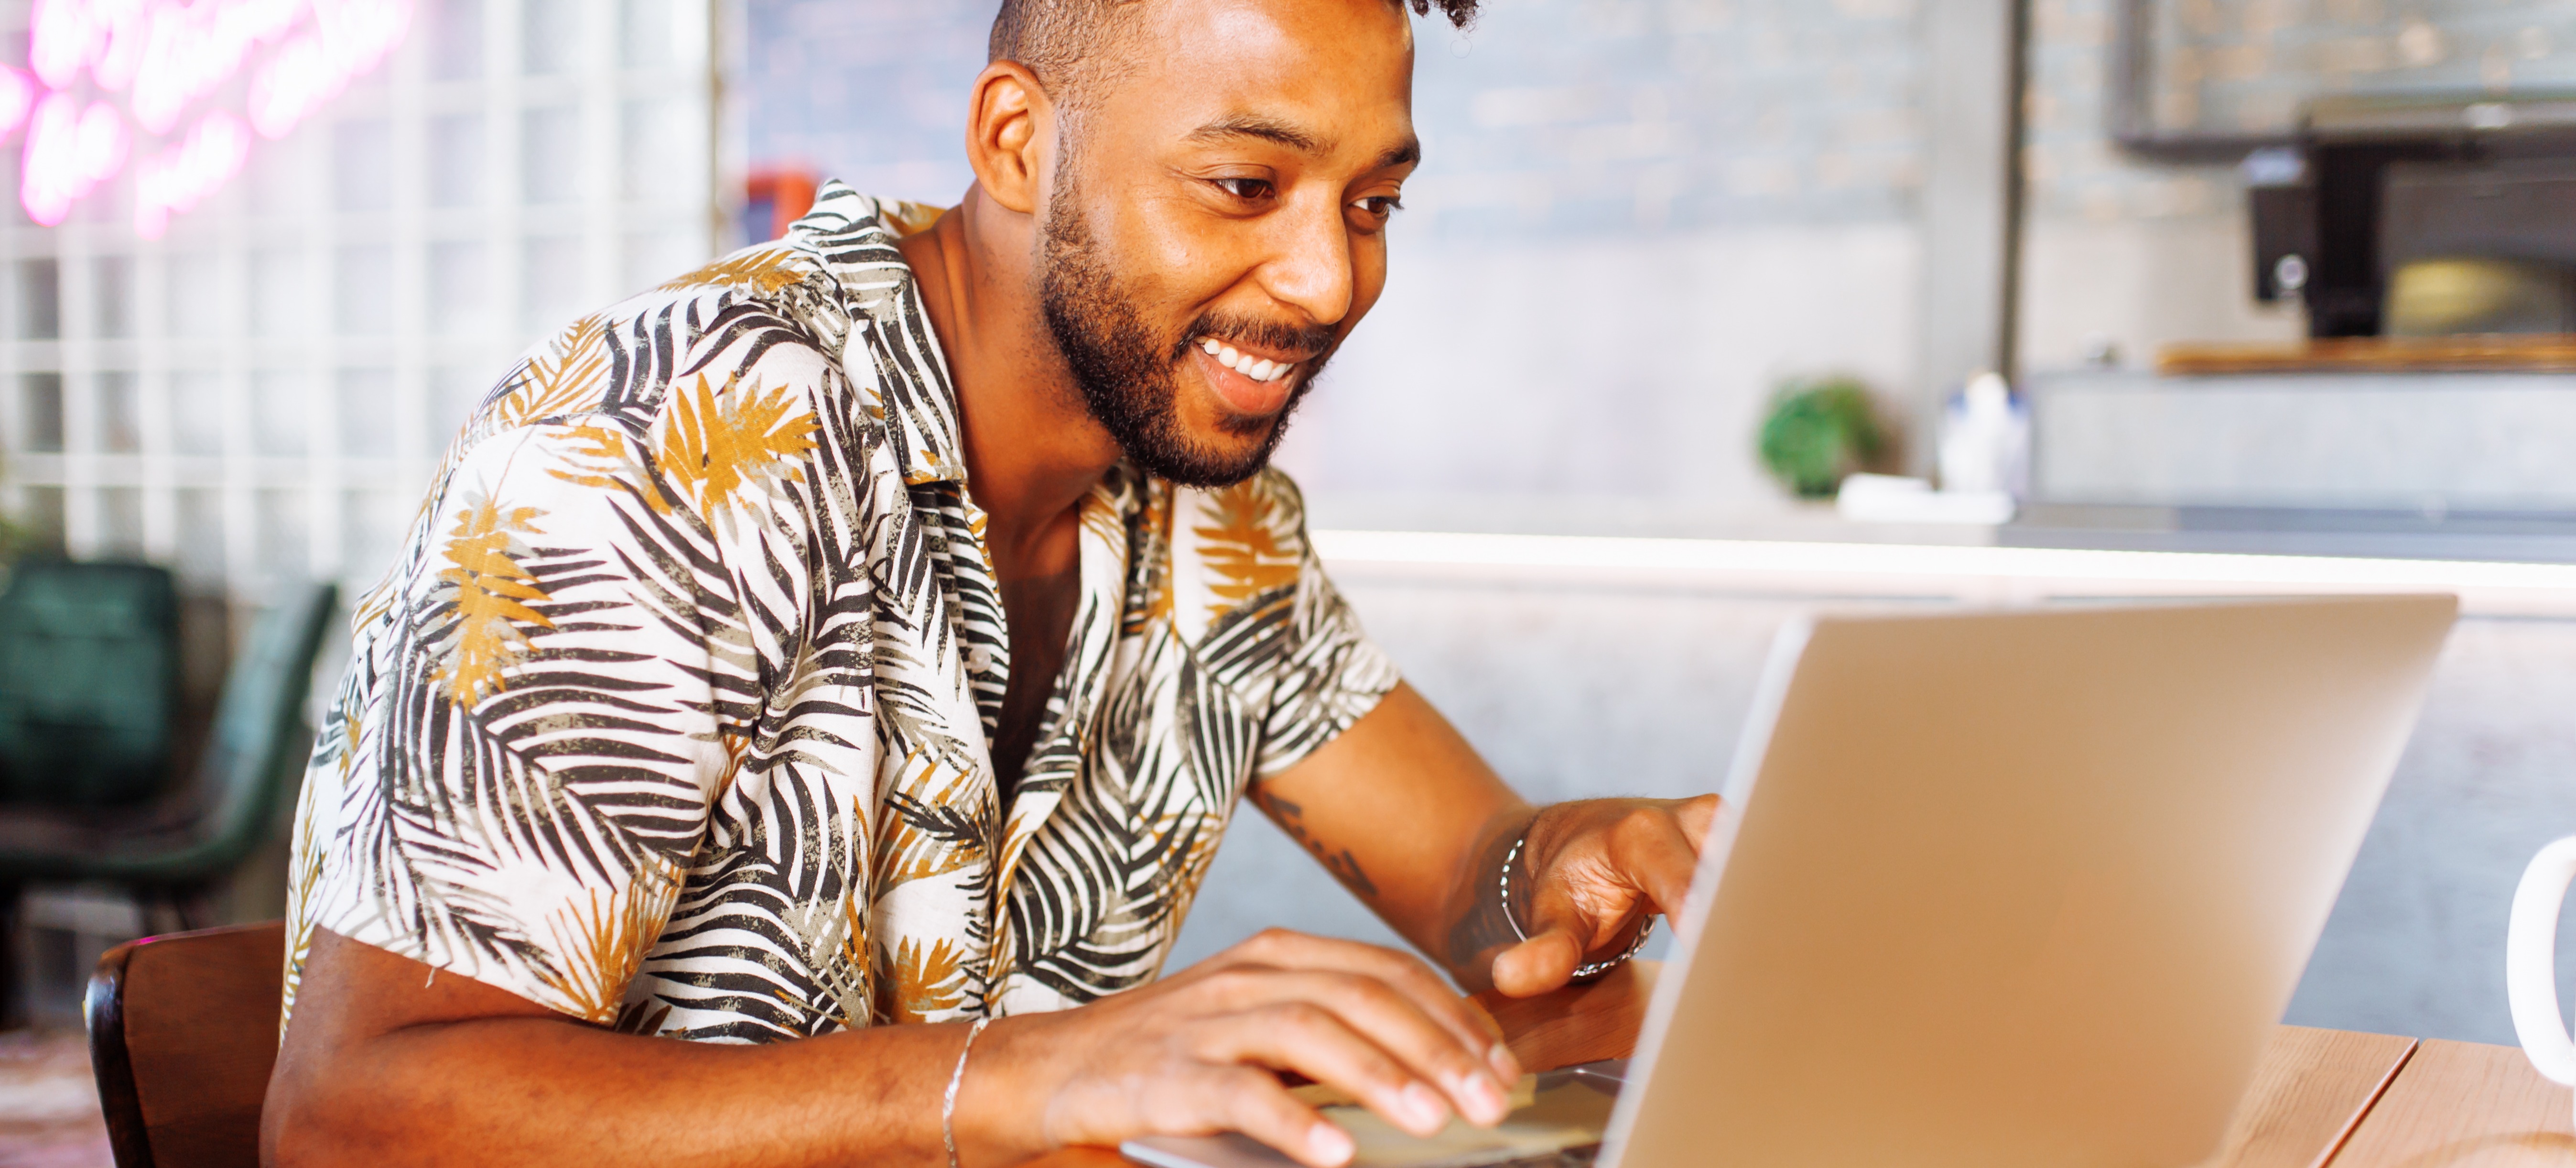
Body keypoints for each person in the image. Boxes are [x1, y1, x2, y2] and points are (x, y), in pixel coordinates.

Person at [262, 0, 1718, 1164]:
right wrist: (1026, 1076)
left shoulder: (1210, 510)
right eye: (1246, 186)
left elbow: (1471, 870)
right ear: (1017, 142)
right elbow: (348, 1119)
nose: (1327, 282)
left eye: (1373, 203)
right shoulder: (678, 432)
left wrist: (1560, 865)